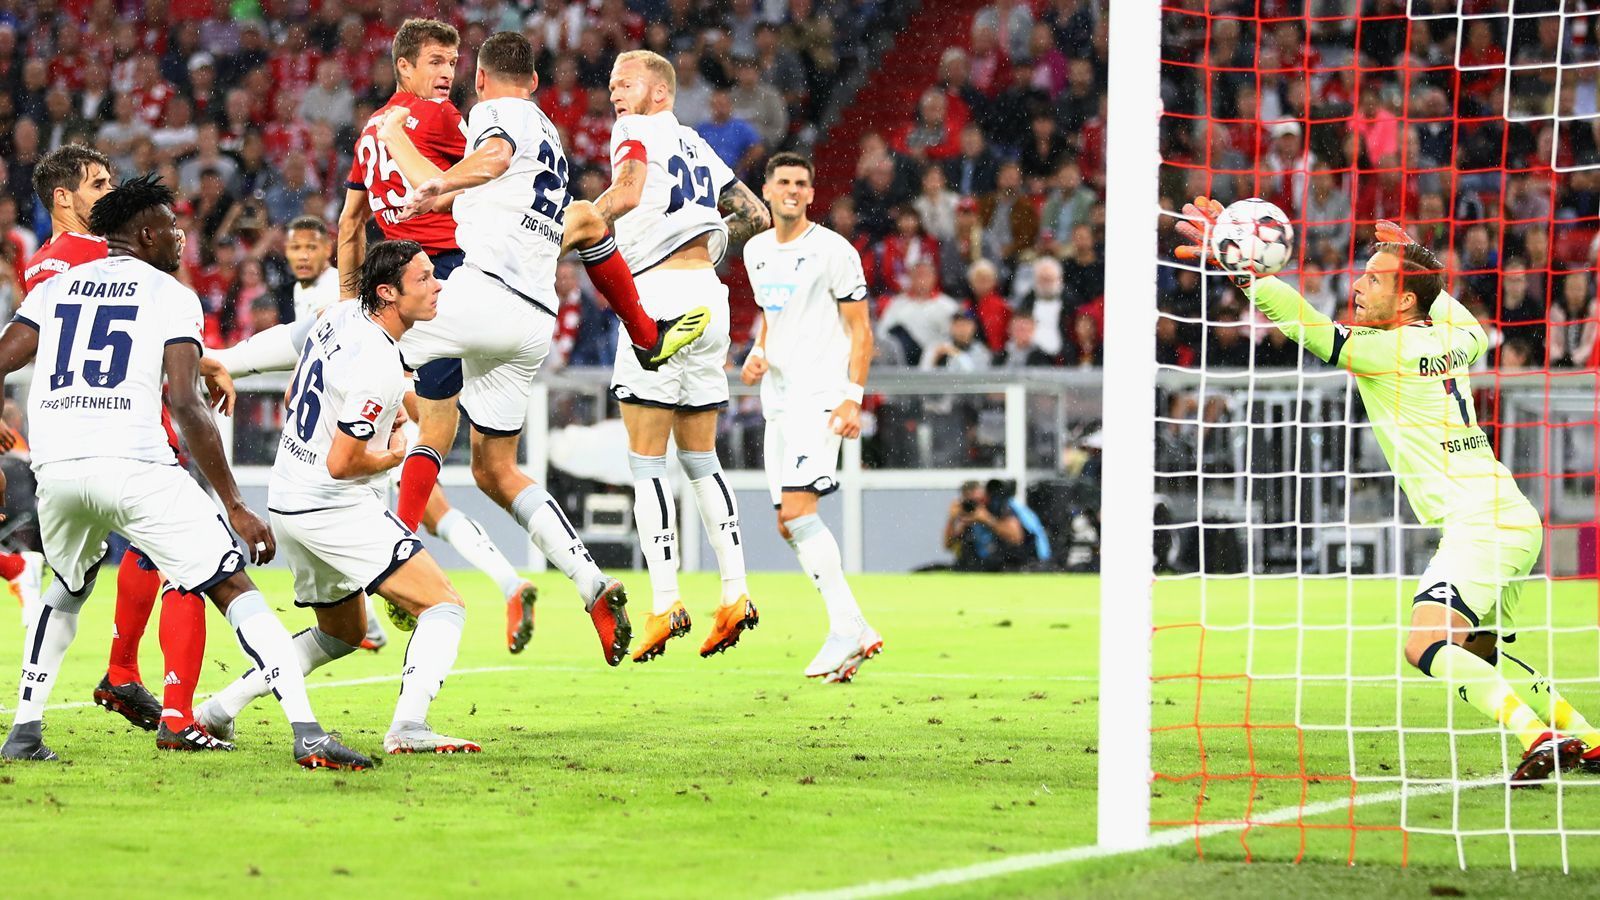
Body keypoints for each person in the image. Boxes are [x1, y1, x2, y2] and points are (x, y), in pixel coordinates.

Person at [1176, 198, 1600, 783]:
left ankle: (1540, 736)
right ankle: (1588, 738)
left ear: (1404, 301)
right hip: (1510, 515)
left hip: (1478, 522)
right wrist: (1413, 260)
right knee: (1478, 649)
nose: (1358, 285)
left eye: (1375, 278)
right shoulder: (1459, 336)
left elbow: (1311, 329)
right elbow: (1454, 316)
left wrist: (1252, 277)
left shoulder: (1387, 351)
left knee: (1423, 645)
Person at [0, 175, 371, 769]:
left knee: (66, 590)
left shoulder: (56, 288)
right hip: (134, 464)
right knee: (230, 583)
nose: (180, 237)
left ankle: (23, 731)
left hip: (57, 468)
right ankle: (308, 732)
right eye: (172, 227)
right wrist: (234, 503)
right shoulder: (170, 295)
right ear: (145, 234)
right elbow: (185, 403)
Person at [376, 32, 701, 666]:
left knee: (351, 337)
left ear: (481, 81)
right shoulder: (547, 129)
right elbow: (527, 194)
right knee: (496, 469)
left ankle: (378, 563)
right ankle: (592, 584)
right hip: (531, 318)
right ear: (532, 80)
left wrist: (406, 154)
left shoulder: (498, 114)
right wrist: (437, 182)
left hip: (485, 293)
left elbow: (491, 159)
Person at [207, 216, 540, 655]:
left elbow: (324, 360)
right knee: (417, 522)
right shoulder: (305, 293)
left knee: (425, 517)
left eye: (311, 247)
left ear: (330, 250)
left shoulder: (340, 294)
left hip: (377, 417)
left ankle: (492, 583)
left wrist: (221, 361)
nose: (302, 256)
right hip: (363, 426)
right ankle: (433, 597)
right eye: (295, 248)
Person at [199, 241, 478, 755]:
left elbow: (291, 361)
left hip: (289, 501)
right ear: (387, 293)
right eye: (423, 278)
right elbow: (343, 462)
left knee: (343, 631)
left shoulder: (342, 314)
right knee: (444, 605)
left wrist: (224, 362)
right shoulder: (378, 361)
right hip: (333, 505)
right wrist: (392, 457)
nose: (437, 284)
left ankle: (217, 711)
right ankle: (410, 728)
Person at [334, 19, 546, 653]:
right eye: (433, 61)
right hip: (447, 283)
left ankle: (384, 564)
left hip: (388, 293)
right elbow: (485, 185)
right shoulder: (451, 119)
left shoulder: (372, 128)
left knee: (395, 437)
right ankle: (403, 557)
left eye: (451, 61)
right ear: (404, 67)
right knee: (435, 439)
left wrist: (348, 304)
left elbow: (351, 221)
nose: (446, 72)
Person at [24, 144, 219, 747]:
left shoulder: (44, 264)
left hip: (68, 433)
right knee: (189, 561)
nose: (111, 194)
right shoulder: (95, 256)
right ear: (64, 199)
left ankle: (106, 678)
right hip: (127, 430)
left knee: (85, 576)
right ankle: (150, 692)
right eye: (99, 183)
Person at [589, 48, 771, 662]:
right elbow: (757, 213)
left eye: (626, 83)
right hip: (710, 299)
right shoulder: (695, 143)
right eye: (611, 84)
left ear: (658, 92)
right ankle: (735, 593)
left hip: (660, 298)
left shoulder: (633, 130)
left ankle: (665, 603)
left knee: (647, 464)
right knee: (701, 458)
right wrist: (708, 251)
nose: (615, 93)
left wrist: (584, 221)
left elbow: (629, 188)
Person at [741, 152, 882, 682]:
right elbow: (770, 317)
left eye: (802, 183)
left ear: (811, 193)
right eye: (784, 182)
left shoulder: (833, 251)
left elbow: (861, 332)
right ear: (769, 191)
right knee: (787, 522)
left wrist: (853, 397)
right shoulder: (756, 251)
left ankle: (845, 630)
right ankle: (857, 628)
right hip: (777, 402)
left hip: (820, 398)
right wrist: (759, 352)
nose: (793, 190)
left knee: (800, 513)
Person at [943, 480, 1045, 572]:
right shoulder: (967, 514)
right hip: (982, 566)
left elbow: (1016, 537)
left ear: (985, 496)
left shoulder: (999, 506)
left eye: (979, 500)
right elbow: (948, 545)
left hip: (1013, 564)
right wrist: (952, 519)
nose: (976, 505)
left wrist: (987, 519)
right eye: (971, 502)